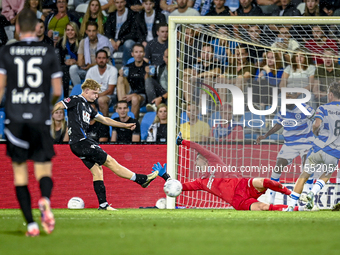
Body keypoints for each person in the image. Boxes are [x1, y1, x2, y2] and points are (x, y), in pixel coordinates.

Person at [0, 8, 63, 236]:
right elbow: (57, 90)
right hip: (39, 118)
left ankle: (32, 225)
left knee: (20, 175)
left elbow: (0, 89)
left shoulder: (7, 51)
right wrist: (45, 103)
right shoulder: (47, 52)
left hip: (15, 119)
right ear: (37, 29)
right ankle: (44, 199)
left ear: (17, 28)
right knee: (43, 169)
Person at [52, 79, 158, 210]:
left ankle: (103, 204)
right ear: (86, 91)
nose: (96, 96)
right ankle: (141, 179)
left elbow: (104, 119)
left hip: (79, 144)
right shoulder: (75, 99)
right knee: (110, 161)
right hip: (80, 142)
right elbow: (58, 105)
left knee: (97, 171)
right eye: (94, 93)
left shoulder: (87, 107)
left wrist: (124, 125)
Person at [152, 133, 308, 211]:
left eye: (197, 159)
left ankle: (291, 195)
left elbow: (200, 149)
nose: (195, 161)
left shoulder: (214, 161)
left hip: (244, 185)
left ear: (203, 159)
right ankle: (295, 209)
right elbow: (180, 187)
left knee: (265, 182)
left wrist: (183, 142)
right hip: (238, 202)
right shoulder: (200, 182)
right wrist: (165, 177)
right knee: (264, 208)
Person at [287, 82, 340, 211]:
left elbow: (316, 124)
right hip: (334, 151)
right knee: (326, 174)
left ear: (331, 95)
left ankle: (291, 207)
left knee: (304, 176)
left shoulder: (322, 108)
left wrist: (316, 132)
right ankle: (312, 193)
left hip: (318, 147)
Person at [256, 93, 315, 205]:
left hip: (306, 142)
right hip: (289, 143)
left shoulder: (305, 108)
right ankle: (271, 200)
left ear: (296, 98)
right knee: (279, 164)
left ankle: (309, 195)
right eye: (285, 98)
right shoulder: (282, 110)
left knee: (306, 163)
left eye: (289, 97)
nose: (287, 100)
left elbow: (317, 119)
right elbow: (279, 125)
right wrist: (265, 135)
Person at [69, 21, 113, 86]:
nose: (91, 34)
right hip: (87, 70)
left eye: (93, 31)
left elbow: (105, 60)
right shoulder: (83, 42)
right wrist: (80, 63)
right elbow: (80, 61)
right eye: (89, 31)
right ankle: (78, 90)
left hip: (102, 68)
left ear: (97, 31)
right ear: (86, 31)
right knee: (73, 69)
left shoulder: (104, 41)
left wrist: (92, 66)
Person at [117, 43, 149, 118]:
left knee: (135, 98)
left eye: (141, 52)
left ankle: (132, 124)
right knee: (120, 78)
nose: (138, 54)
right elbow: (120, 84)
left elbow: (148, 88)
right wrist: (119, 74)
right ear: (132, 54)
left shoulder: (147, 68)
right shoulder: (127, 67)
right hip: (129, 92)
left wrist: (133, 95)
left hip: (141, 95)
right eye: (136, 52)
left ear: (144, 54)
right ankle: (122, 106)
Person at [85, 49, 118, 116]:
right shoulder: (91, 70)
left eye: (103, 58)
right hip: (95, 96)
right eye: (99, 58)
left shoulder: (113, 70)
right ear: (96, 59)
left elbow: (110, 91)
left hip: (111, 96)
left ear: (107, 59)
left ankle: (105, 124)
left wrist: (96, 96)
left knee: (101, 100)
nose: (101, 60)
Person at [105, 0, 137, 66]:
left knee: (128, 44)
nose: (119, 5)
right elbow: (107, 31)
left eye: (121, 2)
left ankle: (125, 67)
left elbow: (133, 33)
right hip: (113, 41)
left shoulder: (132, 15)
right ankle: (109, 69)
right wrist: (111, 40)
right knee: (104, 45)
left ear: (125, 2)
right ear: (114, 3)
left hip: (125, 41)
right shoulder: (112, 15)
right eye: (117, 2)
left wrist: (121, 40)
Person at [55, 21, 80, 97]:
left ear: (76, 31)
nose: (70, 32)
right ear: (65, 31)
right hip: (64, 66)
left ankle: (74, 92)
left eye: (72, 30)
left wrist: (75, 62)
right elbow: (58, 57)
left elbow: (83, 59)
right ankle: (65, 96)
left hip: (77, 67)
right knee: (63, 69)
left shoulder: (80, 42)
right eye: (68, 30)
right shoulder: (61, 42)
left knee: (70, 68)